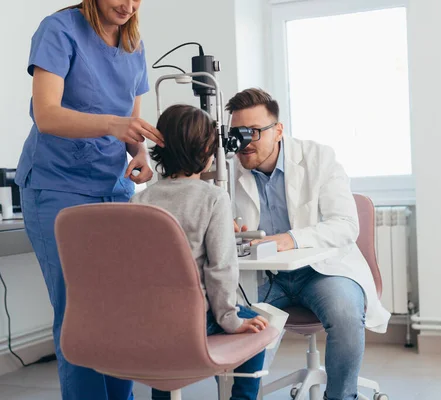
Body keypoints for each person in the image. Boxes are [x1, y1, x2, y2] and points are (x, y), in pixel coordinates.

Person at [15, 1, 164, 399]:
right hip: (57, 185)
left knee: (119, 312)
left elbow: (131, 124)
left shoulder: (134, 42)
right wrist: (115, 125)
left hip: (111, 188)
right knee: (80, 315)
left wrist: (140, 154)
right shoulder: (59, 30)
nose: (128, 6)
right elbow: (47, 115)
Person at [227, 88, 391, 400]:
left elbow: (345, 224)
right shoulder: (228, 170)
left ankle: (341, 397)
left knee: (344, 312)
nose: (244, 142)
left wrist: (291, 239)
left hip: (321, 271)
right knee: (231, 312)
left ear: (278, 131)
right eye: (237, 133)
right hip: (263, 277)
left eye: (254, 132)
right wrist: (226, 227)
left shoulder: (318, 158)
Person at [130, 104, 269, 400]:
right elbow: (220, 270)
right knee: (259, 329)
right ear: (208, 151)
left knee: (166, 361)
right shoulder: (213, 198)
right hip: (194, 319)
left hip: (150, 320)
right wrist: (231, 320)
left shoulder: (141, 200)